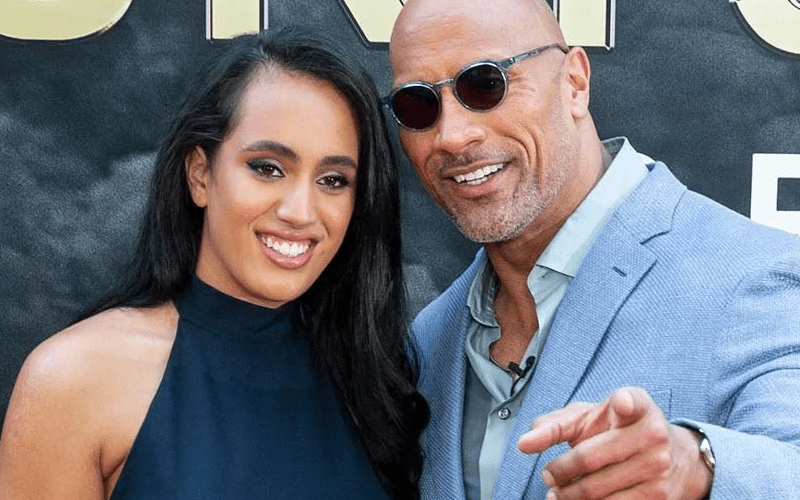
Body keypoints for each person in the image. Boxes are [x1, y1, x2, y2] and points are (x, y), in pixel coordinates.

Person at [386, 0, 800, 499]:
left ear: (575, 82)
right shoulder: (429, 339)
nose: (452, 136)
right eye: (418, 106)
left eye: (485, 85)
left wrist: (699, 465)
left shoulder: (757, 274)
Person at [0, 29, 428, 500]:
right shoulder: (75, 378)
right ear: (200, 174)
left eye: (332, 179)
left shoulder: (376, 380)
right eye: (267, 167)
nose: (300, 212)